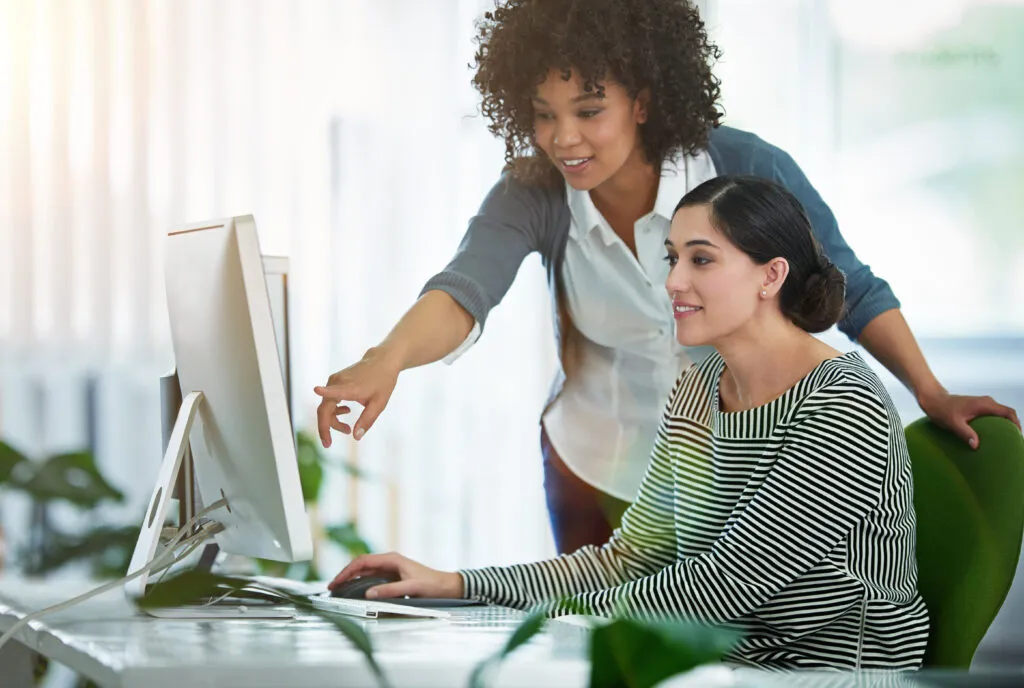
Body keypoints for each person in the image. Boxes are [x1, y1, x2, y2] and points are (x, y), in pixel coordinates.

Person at [314, 0, 1019, 555]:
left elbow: (852, 290)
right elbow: (465, 288)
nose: (564, 139)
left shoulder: (743, 170)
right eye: (543, 115)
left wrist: (929, 392)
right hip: (599, 468)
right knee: (608, 656)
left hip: (745, 466)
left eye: (589, 111)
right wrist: (387, 362)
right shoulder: (532, 193)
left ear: (643, 101)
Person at [328, 176, 931, 670]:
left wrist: (553, 621)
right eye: (673, 258)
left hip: (827, 676)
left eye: (701, 259)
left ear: (770, 275)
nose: (672, 281)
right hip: (722, 668)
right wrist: (456, 584)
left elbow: (724, 590)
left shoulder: (841, 399)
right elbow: (629, 560)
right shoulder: (699, 389)